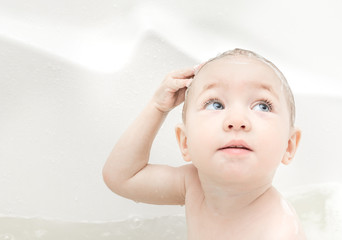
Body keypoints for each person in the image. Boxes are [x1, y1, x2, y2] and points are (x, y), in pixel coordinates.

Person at [103, 48, 306, 239]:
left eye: (262, 106)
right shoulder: (193, 184)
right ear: (185, 142)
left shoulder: (279, 231)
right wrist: (158, 108)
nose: (236, 120)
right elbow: (123, 178)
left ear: (289, 146)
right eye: (215, 104)